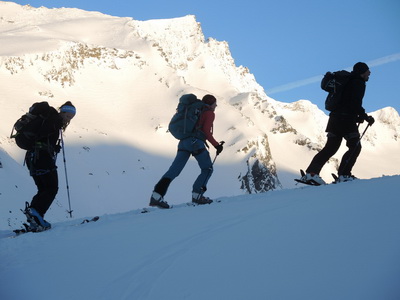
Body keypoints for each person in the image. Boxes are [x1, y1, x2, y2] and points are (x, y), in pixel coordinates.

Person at [301, 62, 375, 185]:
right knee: (355, 146)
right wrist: (364, 117)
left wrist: (357, 116)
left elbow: (346, 102)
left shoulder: (346, 81)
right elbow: (355, 103)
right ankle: (344, 175)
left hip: (334, 119)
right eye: (368, 71)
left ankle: (311, 174)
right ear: (362, 72)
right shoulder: (358, 83)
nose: (369, 73)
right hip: (346, 120)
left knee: (330, 148)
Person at [150, 94, 224, 208]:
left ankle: (156, 196)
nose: (216, 106)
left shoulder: (194, 110)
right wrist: (217, 146)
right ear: (211, 104)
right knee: (207, 168)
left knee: (174, 170)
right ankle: (197, 195)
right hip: (196, 143)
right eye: (215, 104)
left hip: (183, 142)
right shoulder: (209, 113)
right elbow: (206, 131)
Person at [23, 101, 76, 231]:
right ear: (62, 112)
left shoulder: (50, 119)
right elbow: (42, 134)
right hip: (42, 158)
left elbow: (41, 135)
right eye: (67, 115)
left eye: (71, 117)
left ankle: (35, 217)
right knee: (52, 188)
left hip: (33, 158)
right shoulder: (55, 120)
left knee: (43, 188)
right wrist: (49, 146)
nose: (68, 119)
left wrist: (52, 146)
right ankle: (36, 215)